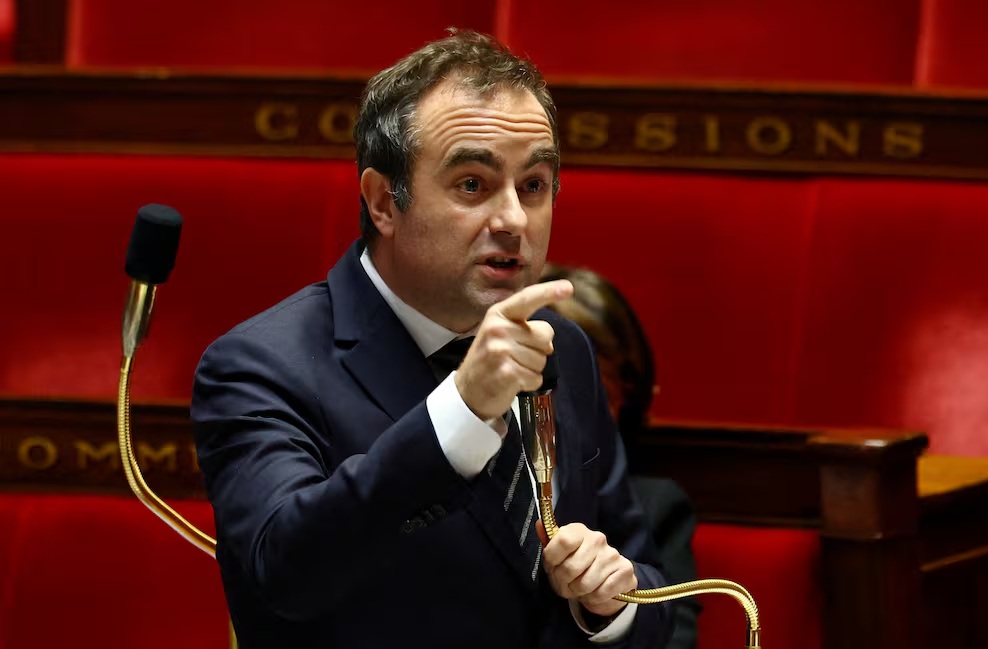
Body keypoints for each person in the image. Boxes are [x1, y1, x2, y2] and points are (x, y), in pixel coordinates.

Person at [191, 30, 672, 649]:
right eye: (473, 184)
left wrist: (609, 606)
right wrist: (461, 412)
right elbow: (285, 572)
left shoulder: (564, 348)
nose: (514, 220)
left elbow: (649, 583)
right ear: (383, 202)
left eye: (534, 185)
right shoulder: (261, 365)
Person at [540, 264, 701, 649]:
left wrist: (613, 607)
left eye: (600, 395)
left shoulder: (655, 507)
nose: (571, 414)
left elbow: (675, 639)